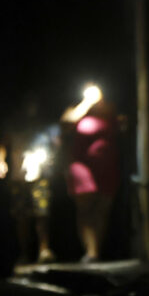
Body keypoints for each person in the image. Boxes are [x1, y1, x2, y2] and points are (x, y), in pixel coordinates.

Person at [60, 85, 123, 264]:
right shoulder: (76, 110)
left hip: (107, 166)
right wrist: (87, 102)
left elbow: (122, 128)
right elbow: (65, 124)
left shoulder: (110, 110)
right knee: (85, 209)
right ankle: (91, 252)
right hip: (82, 167)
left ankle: (96, 250)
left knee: (102, 210)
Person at [0, 93, 60, 265]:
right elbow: (3, 143)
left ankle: (44, 250)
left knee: (42, 213)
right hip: (19, 177)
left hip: (40, 176)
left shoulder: (45, 125)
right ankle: (24, 253)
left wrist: (53, 159)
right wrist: (1, 162)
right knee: (21, 216)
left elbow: (57, 144)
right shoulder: (13, 124)